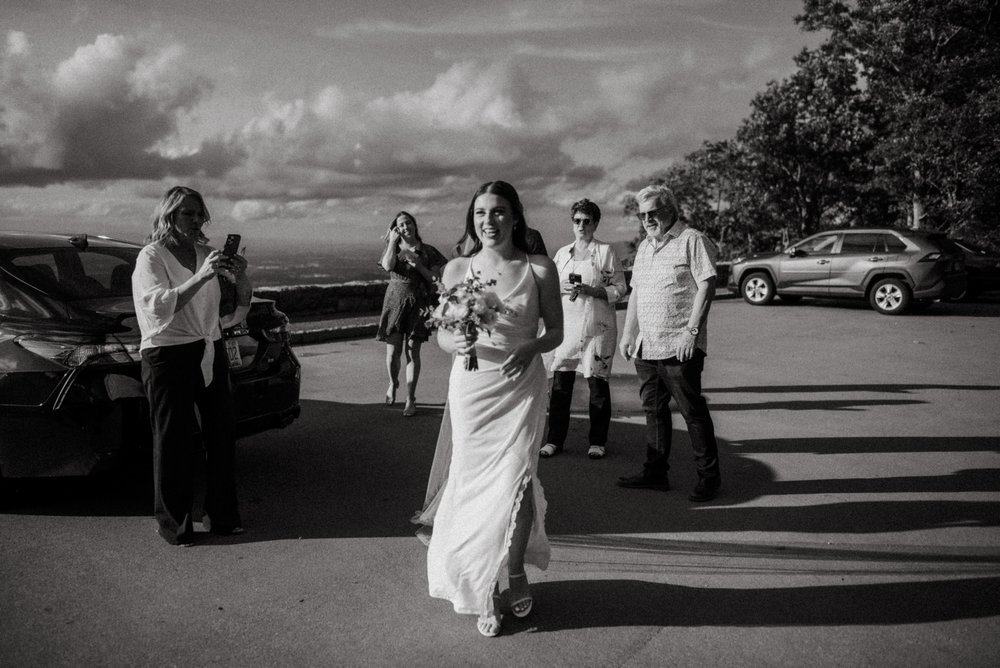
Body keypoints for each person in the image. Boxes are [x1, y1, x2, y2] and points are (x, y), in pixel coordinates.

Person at [423, 180, 563, 637]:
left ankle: (516, 570)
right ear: (473, 220)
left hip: (521, 387)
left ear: (515, 217)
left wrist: (532, 348)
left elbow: (556, 333)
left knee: (515, 482)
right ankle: (483, 587)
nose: (489, 221)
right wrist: (454, 339)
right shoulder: (457, 269)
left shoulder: (539, 268)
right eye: (481, 213)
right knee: (473, 486)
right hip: (472, 389)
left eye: (499, 212)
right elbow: (441, 333)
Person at [132, 186, 252, 546]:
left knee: (221, 435)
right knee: (173, 441)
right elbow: (156, 306)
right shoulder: (151, 256)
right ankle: (175, 523)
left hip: (208, 348)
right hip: (167, 354)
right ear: (169, 215)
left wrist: (241, 275)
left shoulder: (206, 252)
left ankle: (222, 516)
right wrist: (201, 276)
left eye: (200, 213)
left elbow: (234, 305)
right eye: (189, 213)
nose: (197, 219)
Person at [616, 184, 722, 502]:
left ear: (670, 210)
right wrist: (627, 334)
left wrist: (691, 332)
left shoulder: (693, 240)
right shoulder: (645, 248)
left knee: (692, 411)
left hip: (680, 346)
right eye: (643, 215)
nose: (648, 220)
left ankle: (709, 478)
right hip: (647, 345)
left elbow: (707, 285)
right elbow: (636, 293)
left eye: (654, 213)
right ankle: (655, 473)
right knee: (654, 411)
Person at [541, 199, 627, 460]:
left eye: (587, 221)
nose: (581, 225)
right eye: (577, 220)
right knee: (560, 387)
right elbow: (550, 286)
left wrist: (594, 291)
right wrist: (561, 289)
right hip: (567, 328)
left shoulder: (606, 252)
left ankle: (597, 441)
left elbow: (621, 288)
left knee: (597, 385)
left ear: (595, 223)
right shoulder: (562, 254)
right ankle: (554, 439)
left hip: (597, 328)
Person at [375, 211, 447, 417]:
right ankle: (393, 382)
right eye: (400, 225)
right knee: (392, 354)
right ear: (396, 229)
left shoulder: (428, 251)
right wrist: (392, 241)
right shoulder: (393, 248)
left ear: (414, 226)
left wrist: (419, 266)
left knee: (412, 352)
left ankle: (411, 399)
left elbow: (435, 279)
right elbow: (387, 266)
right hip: (395, 302)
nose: (405, 227)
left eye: (408, 223)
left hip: (419, 303)